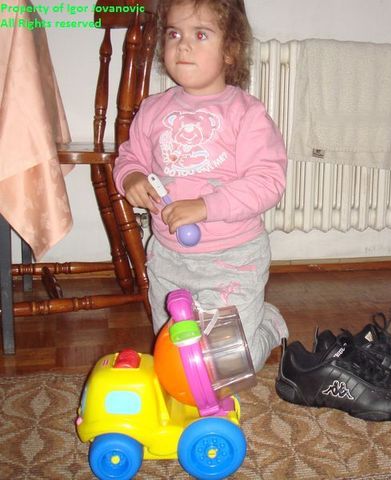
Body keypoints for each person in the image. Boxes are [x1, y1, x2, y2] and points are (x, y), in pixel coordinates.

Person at [113, 0, 288, 371]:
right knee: (174, 357)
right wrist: (131, 177)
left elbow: (268, 182)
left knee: (228, 365)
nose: (184, 45)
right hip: (168, 259)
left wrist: (206, 206)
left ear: (230, 50)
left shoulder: (247, 113)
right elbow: (130, 157)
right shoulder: (152, 109)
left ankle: (268, 324)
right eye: (174, 34)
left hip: (233, 259)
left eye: (201, 34)